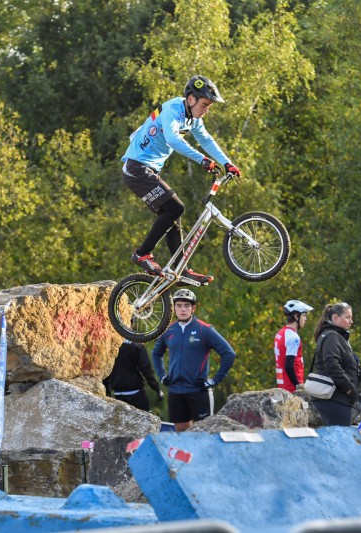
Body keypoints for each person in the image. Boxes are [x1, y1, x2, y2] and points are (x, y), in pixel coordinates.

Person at [121, 75, 241, 285]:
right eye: (204, 105)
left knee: (172, 215)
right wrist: (202, 159)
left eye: (209, 106)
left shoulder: (192, 117)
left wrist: (227, 163)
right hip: (136, 168)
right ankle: (142, 254)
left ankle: (181, 269)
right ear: (191, 98)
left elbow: (206, 139)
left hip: (148, 169)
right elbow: (173, 139)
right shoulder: (172, 110)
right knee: (175, 208)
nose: (206, 111)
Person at [152, 289, 236, 431]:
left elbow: (229, 353)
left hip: (199, 391)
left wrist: (215, 380)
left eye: (186, 305)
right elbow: (156, 353)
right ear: (174, 308)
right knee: (181, 431)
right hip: (175, 391)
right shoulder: (168, 330)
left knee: (204, 432)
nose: (182, 309)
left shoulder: (205, 329)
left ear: (193, 308)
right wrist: (162, 376)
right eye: (179, 305)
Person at [308, 302, 359, 427]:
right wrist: (349, 389)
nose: (351, 321)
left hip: (335, 399)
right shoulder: (332, 337)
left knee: (333, 441)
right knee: (340, 442)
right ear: (335, 317)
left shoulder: (330, 335)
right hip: (336, 399)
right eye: (347, 317)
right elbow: (332, 366)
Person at [103, 340, 164, 412]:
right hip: (137, 395)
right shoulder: (136, 343)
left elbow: (105, 369)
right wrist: (156, 389)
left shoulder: (110, 343)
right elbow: (146, 370)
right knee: (144, 422)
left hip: (118, 394)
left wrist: (106, 390)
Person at [274, 300, 314, 392]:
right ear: (296, 316)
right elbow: (288, 365)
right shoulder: (293, 337)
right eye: (304, 315)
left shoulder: (280, 334)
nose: (305, 319)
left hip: (282, 385)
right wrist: (297, 385)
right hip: (291, 387)